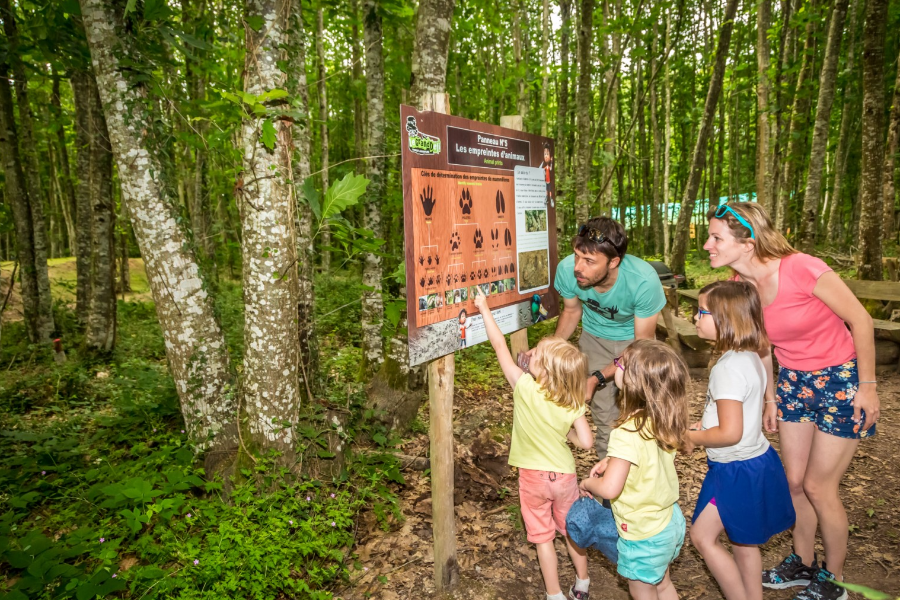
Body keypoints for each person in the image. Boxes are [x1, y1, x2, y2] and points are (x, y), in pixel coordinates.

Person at [704, 202, 880, 600]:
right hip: (793, 383)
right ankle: (801, 562)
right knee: (795, 482)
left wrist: (867, 386)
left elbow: (861, 320)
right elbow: (760, 344)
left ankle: (834, 580)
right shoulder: (741, 284)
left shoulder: (802, 267)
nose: (707, 245)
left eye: (716, 238)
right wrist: (769, 396)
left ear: (746, 242)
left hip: (840, 380)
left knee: (820, 486)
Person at [473, 290, 595, 600]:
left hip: (533, 478)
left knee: (543, 539)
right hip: (564, 477)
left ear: (545, 370)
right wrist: (563, 433)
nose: (530, 356)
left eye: (537, 355)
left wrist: (483, 307)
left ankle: (554, 595)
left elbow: (499, 345)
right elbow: (587, 441)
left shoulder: (524, 386)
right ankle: (582, 584)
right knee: (571, 531)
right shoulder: (572, 401)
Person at [685, 280, 795, 600]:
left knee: (703, 538)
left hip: (735, 470)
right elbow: (740, 414)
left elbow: (730, 433)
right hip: (752, 462)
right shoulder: (748, 356)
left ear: (726, 320)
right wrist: (706, 422)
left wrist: (691, 436)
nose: (695, 317)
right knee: (743, 540)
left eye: (702, 312)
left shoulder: (728, 369)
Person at [579, 339, 690, 600]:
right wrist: (613, 461)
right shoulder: (662, 418)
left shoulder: (626, 432)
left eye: (620, 364)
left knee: (642, 591)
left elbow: (609, 488)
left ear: (632, 381)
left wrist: (586, 484)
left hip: (644, 532)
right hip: (669, 521)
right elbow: (647, 457)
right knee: (662, 584)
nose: (616, 366)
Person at [552, 216, 667, 458]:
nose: (578, 267)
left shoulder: (643, 281)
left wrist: (595, 378)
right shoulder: (567, 271)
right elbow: (572, 311)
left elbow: (641, 346)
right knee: (605, 418)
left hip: (635, 342)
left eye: (589, 261)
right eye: (576, 256)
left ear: (614, 261)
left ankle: (647, 480)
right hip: (595, 338)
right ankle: (609, 484)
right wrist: (552, 347)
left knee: (644, 413)